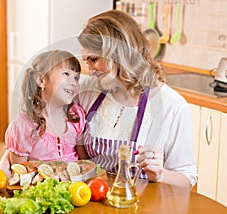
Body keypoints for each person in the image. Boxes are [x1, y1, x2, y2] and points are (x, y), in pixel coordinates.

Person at [76, 10, 197, 189]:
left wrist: (161, 174)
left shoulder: (172, 106)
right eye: (87, 61)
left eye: (94, 60)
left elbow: (187, 179)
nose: (91, 70)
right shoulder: (88, 91)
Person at [0, 50, 85, 178]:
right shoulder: (23, 125)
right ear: (41, 80)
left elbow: (85, 162)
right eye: (66, 74)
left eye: (76, 78)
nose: (74, 83)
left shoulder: (76, 116)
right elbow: (20, 176)